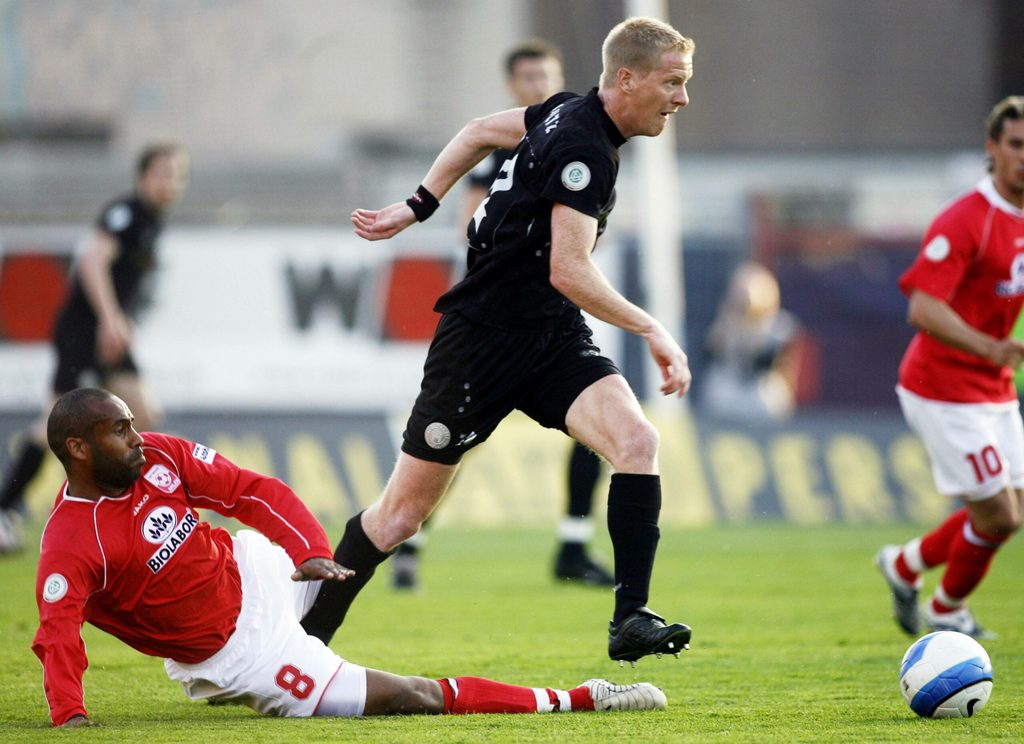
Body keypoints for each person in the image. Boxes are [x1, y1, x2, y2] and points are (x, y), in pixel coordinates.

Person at [304, 17, 696, 666]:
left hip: (550, 337)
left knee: (636, 441)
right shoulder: (585, 148)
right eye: (673, 82)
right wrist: (651, 327)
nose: (682, 98)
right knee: (399, 518)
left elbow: (478, 131)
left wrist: (417, 205)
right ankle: (302, 643)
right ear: (625, 80)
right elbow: (568, 269)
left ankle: (630, 617)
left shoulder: (570, 112)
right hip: (479, 344)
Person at [31, 387, 668, 728]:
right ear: (79, 449)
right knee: (414, 698)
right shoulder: (70, 542)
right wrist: (70, 715)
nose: (137, 438)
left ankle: (328, 608)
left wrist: (306, 551)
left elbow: (255, 492)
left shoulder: (160, 457)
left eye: (132, 423)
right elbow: (57, 634)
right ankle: (583, 699)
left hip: (255, 574)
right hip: (240, 655)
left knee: (373, 531)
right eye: (120, 431)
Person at [391, 40, 614, 591]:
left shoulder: (581, 143)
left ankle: (573, 542)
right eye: (528, 77)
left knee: (603, 428)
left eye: (547, 76)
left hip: (552, 317)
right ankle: (410, 541)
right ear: (513, 85)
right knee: (453, 439)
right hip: (493, 320)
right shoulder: (500, 151)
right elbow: (471, 224)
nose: (539, 85)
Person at [876, 95, 1024, 639]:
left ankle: (906, 565)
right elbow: (923, 306)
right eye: (1016, 145)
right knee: (1000, 518)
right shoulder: (968, 219)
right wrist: (989, 347)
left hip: (993, 386)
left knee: (1013, 510)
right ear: (993, 148)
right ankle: (945, 610)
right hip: (941, 387)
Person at [0, 143, 189, 554]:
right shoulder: (128, 213)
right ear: (143, 177)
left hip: (109, 334)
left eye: (176, 174)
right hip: (85, 332)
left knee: (147, 415)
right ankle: (3, 509)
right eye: (162, 173)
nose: (170, 182)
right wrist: (110, 317)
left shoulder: (152, 221)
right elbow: (91, 261)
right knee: (55, 420)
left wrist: (120, 320)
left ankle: (145, 515)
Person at [699, 261, 801, 423]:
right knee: (719, 389)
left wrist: (752, 331)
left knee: (769, 396)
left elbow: (767, 364)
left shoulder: (779, 326)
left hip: (759, 386)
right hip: (731, 386)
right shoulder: (726, 321)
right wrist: (731, 324)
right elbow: (713, 353)